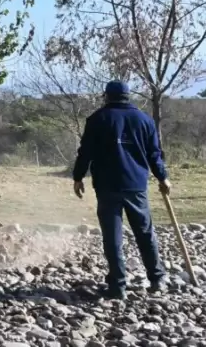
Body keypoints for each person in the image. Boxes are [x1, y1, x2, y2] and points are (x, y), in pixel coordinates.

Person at [73, 80, 171, 299]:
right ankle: (157, 280)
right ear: (128, 96)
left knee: (113, 237)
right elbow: (154, 154)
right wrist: (163, 177)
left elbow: (85, 152)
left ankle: (118, 287)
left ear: (106, 96)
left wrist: (78, 177)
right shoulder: (145, 120)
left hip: (107, 186)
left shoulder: (97, 119)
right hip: (136, 185)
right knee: (145, 233)